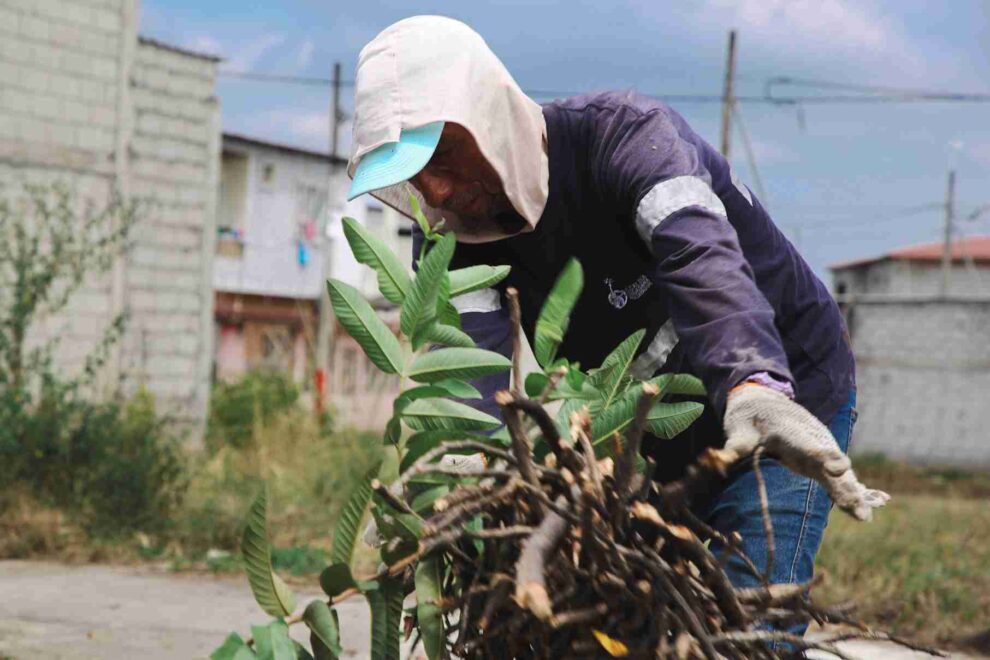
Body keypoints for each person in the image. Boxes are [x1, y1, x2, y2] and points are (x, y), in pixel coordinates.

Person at [345, 15, 888, 626]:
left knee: (747, 620)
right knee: (635, 617)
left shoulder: (625, 140)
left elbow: (698, 255)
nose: (436, 190)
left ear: (489, 116)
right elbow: (472, 375)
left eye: (442, 154)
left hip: (782, 394)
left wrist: (754, 384)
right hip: (648, 438)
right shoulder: (451, 239)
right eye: (413, 175)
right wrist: (450, 474)